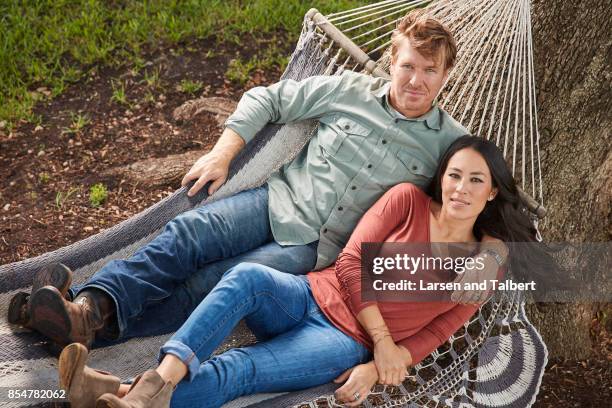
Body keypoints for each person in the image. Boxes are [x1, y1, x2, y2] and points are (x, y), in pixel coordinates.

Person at [10, 11, 489, 351]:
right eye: (408, 65)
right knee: (187, 233)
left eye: (430, 71)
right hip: (276, 200)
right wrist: (224, 154)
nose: (416, 80)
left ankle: (77, 323)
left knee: (212, 284)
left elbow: (470, 202)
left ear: (446, 76)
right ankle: (87, 309)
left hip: (321, 251)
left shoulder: (451, 145)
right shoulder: (349, 90)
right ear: (392, 60)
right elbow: (268, 98)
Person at [55, 135, 540, 408]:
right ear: (443, 177)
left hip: (342, 342)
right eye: (455, 174)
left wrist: (378, 362)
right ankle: (153, 389)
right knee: (246, 277)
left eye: (476, 180)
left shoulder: (486, 262)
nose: (461, 187)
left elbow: (441, 328)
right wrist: (385, 339)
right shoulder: (407, 200)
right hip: (310, 293)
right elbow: (351, 263)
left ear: (492, 192)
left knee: (239, 370)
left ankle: (115, 393)